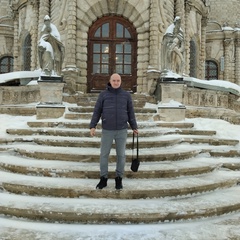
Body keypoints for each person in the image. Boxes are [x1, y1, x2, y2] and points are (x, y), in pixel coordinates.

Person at [90, 73, 138, 190]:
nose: (116, 82)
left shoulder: (126, 96)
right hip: (107, 129)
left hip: (122, 130)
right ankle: (103, 178)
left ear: (120, 82)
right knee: (104, 155)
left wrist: (134, 126)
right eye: (114, 80)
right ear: (110, 81)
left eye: (118, 80)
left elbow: (130, 112)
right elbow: (97, 111)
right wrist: (93, 125)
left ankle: (119, 178)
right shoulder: (103, 95)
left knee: (121, 155)